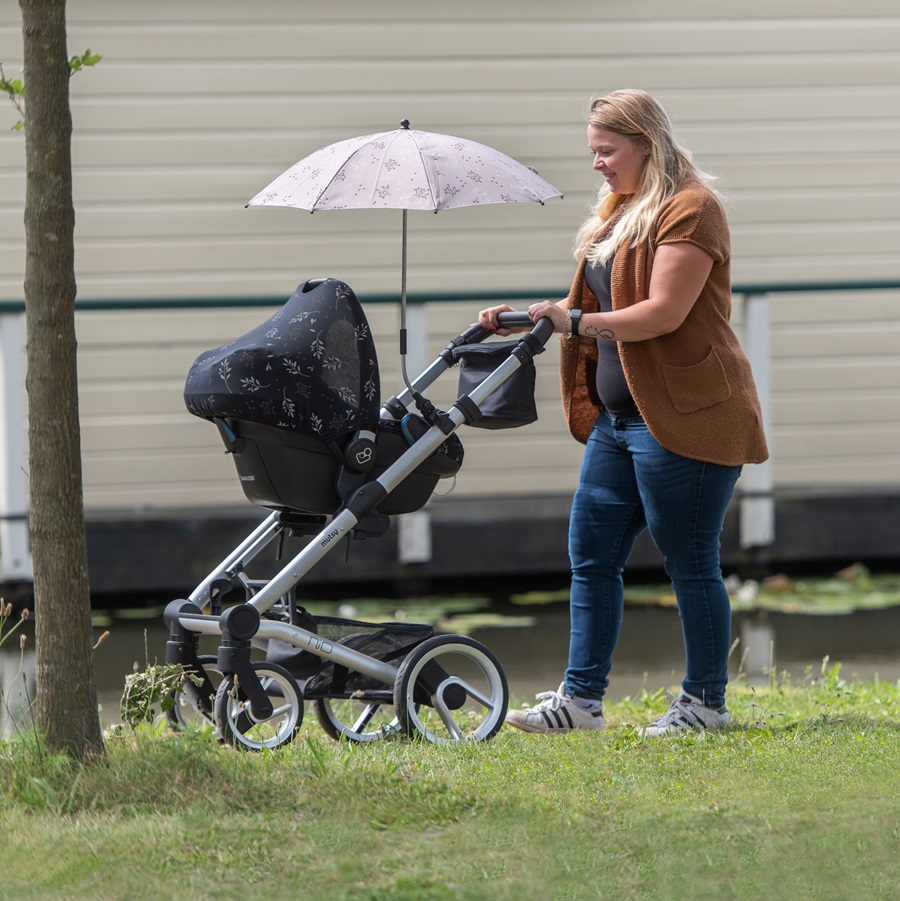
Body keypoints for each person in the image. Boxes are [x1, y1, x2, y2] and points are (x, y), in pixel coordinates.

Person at [479, 89, 768, 737]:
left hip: (686, 419)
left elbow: (662, 311)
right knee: (591, 553)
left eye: (606, 151)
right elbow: (584, 300)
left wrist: (574, 320)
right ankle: (580, 702)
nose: (597, 165)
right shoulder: (620, 210)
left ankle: (705, 704)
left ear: (646, 142)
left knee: (690, 559)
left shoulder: (692, 208)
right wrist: (527, 317)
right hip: (617, 423)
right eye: (594, 153)